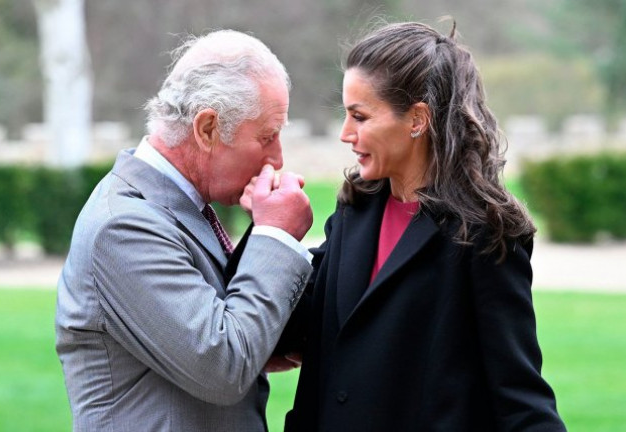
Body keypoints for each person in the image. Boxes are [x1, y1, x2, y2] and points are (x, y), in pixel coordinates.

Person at [280, 21, 567, 431]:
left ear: (417, 119)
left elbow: (519, 397)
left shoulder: (483, 234)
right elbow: (292, 329)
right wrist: (270, 232)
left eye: (359, 116)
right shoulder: (352, 212)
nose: (346, 134)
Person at [55, 30, 314, 432]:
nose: (277, 157)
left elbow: (227, 332)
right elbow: (223, 366)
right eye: (267, 136)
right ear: (207, 128)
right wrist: (276, 235)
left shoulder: (178, 210)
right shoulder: (123, 226)